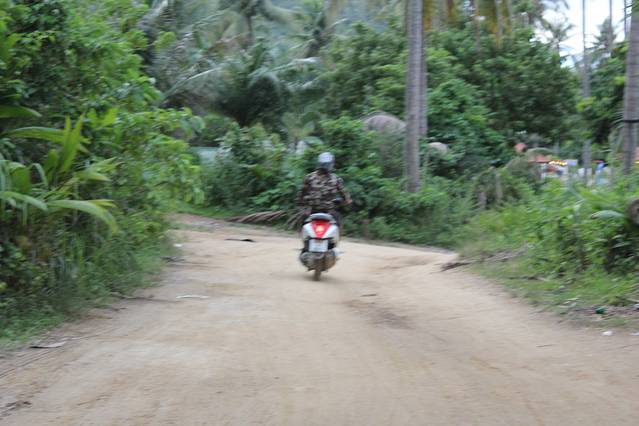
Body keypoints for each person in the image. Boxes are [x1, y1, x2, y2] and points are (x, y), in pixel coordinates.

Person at [298, 152, 352, 229]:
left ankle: (302, 233)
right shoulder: (336, 179)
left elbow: (302, 193)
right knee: (338, 221)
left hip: (312, 211)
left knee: (304, 220)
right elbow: (344, 193)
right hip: (329, 211)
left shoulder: (309, 177)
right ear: (330, 164)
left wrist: (301, 202)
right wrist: (347, 201)